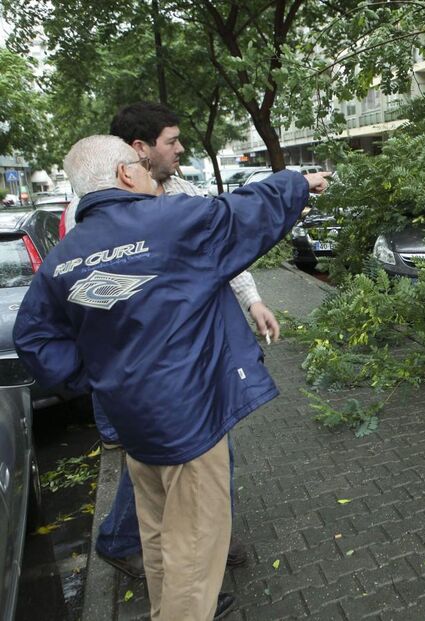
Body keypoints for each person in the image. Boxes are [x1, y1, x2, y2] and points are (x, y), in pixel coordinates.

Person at [14, 135, 329, 620]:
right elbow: (243, 213)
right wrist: (299, 182)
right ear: (125, 174)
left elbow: (34, 339)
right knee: (196, 554)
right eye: (141, 164)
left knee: (159, 534)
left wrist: (99, 375)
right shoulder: (171, 222)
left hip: (133, 422)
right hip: (190, 422)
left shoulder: (63, 258)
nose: (149, 172)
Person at [61, 102, 274, 579]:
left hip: (186, 360)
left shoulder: (182, 191)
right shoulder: (93, 217)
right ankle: (172, 557)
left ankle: (190, 542)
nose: (180, 149)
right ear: (139, 152)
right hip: (148, 366)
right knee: (175, 457)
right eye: (171, 141)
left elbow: (223, 248)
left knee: (186, 454)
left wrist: (253, 300)